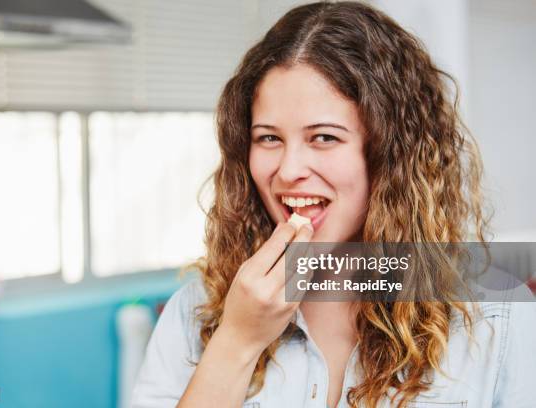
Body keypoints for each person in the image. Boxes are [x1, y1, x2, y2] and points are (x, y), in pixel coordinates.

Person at [130, 2, 536, 407]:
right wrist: (236, 341)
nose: (288, 171)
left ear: (391, 154)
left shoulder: (498, 317)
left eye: (324, 137)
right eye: (269, 138)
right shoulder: (194, 312)